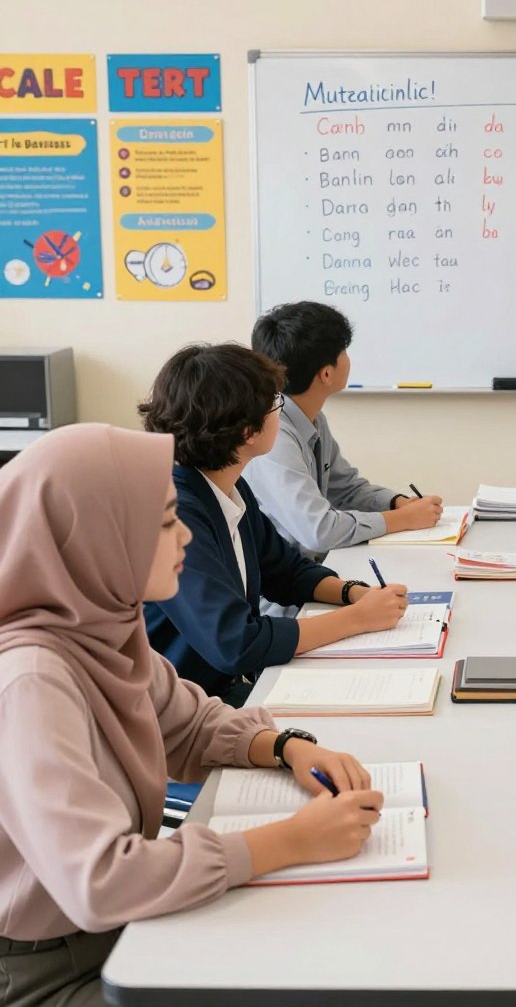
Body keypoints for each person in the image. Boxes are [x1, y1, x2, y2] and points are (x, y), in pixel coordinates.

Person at [0, 423, 385, 1006]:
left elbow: (191, 724)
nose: (183, 536)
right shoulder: (32, 677)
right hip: (53, 968)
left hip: (110, 932)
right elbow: (100, 880)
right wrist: (289, 841)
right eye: (162, 522)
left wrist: (288, 748)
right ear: (98, 537)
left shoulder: (102, 621)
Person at [142, 343, 409, 706]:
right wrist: (358, 619)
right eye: (275, 405)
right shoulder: (176, 514)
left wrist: (355, 594)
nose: (280, 416)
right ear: (248, 431)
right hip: (185, 709)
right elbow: (238, 643)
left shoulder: (230, 487)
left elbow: (286, 572)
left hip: (220, 691)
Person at [246, 301, 443, 559]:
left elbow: (345, 488)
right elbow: (319, 531)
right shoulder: (273, 436)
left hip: (318, 571)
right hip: (286, 594)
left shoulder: (313, 418)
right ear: (326, 374)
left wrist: (396, 502)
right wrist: (402, 519)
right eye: (344, 351)